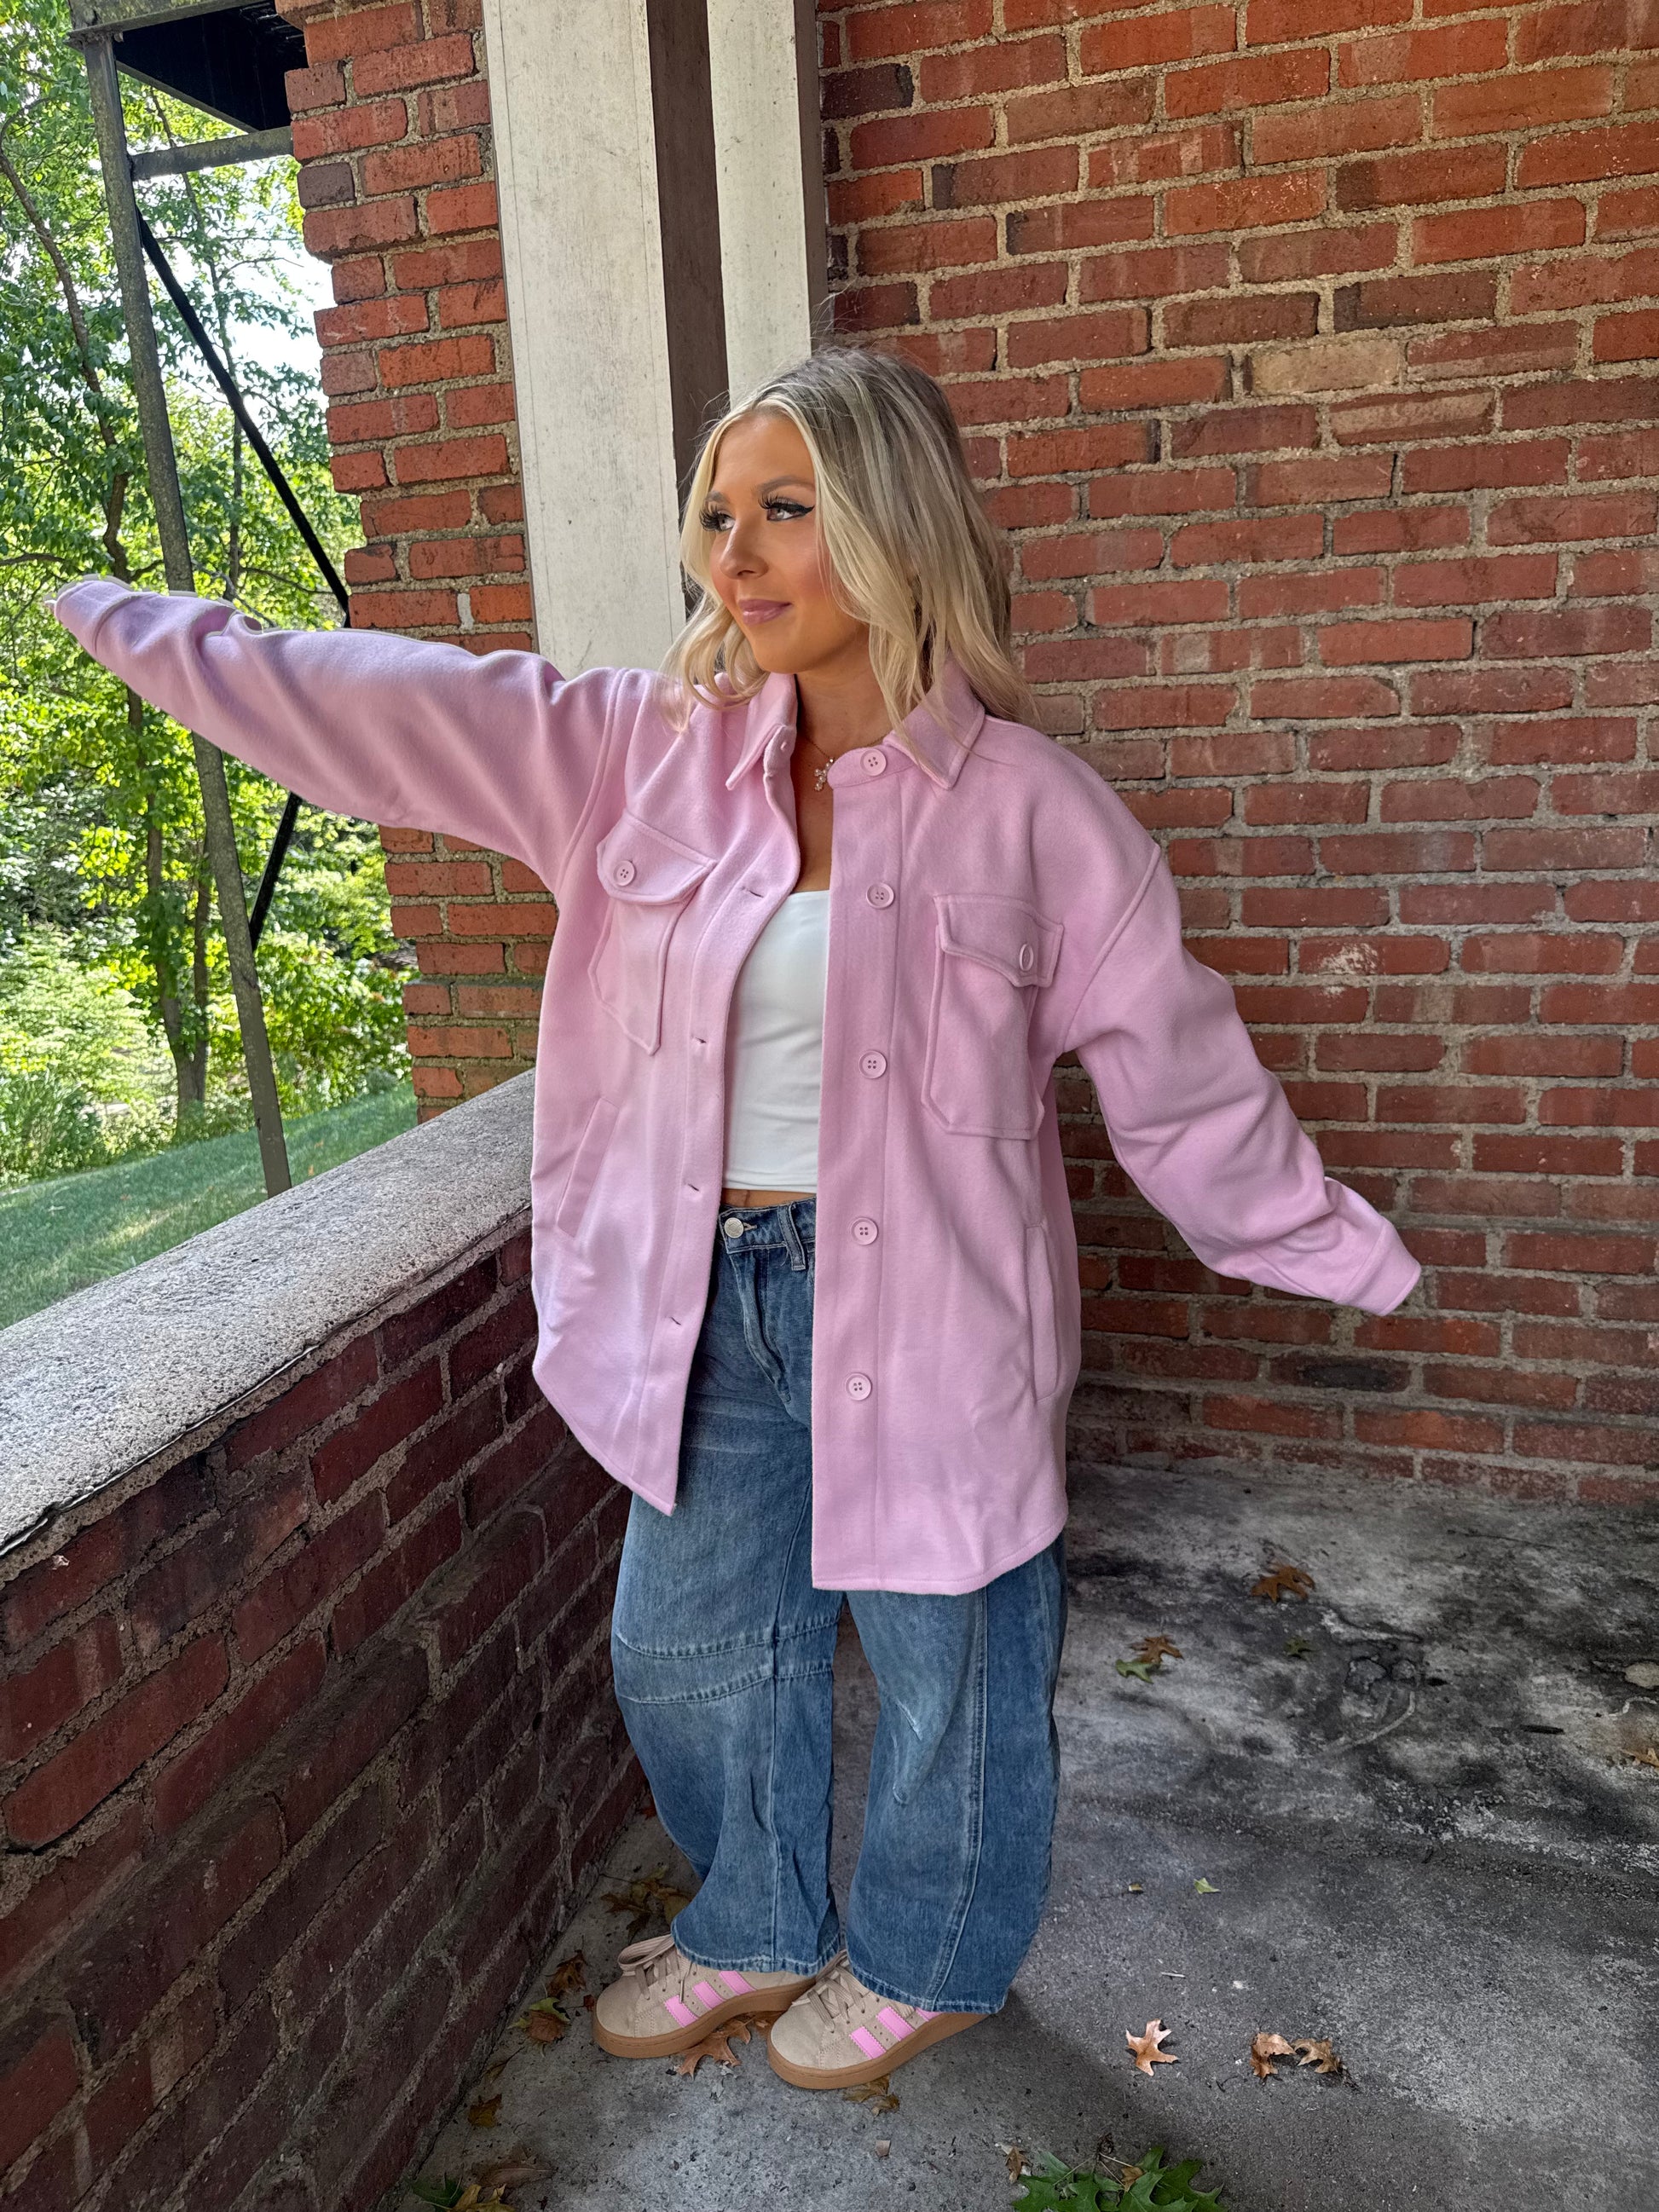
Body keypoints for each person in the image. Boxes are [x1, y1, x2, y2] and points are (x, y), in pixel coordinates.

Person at [50, 342, 1419, 2094]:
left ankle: (927, 1957)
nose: (736, 554)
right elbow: (380, 698)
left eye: (786, 509)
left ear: (897, 526)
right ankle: (758, 1917)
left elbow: (1182, 1069)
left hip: (931, 1307)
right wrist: (126, 618)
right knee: (688, 1644)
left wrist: (1323, 1241)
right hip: (700, 1295)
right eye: (717, 515)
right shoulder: (636, 758)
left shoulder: (1037, 813)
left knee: (951, 1659)